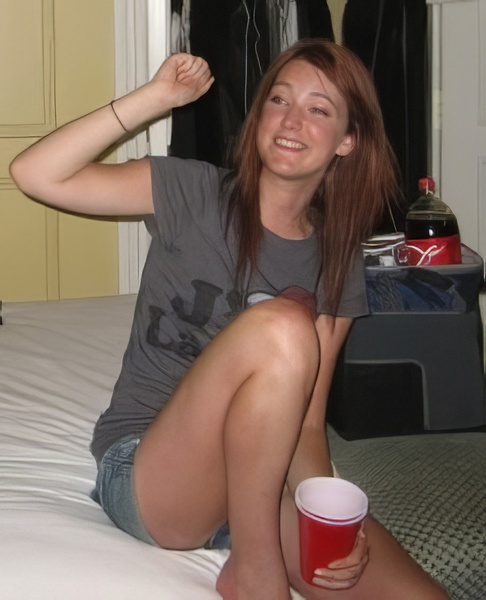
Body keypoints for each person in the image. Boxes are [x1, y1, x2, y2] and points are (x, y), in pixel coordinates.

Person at [10, 39, 449, 600]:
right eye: (279, 100)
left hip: (256, 492)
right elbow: (34, 173)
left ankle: (255, 546)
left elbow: (307, 427)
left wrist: (326, 514)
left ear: (347, 140)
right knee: (283, 326)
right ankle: (254, 575)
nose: (291, 120)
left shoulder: (338, 260)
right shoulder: (192, 192)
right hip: (149, 475)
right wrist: (156, 98)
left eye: (318, 109)